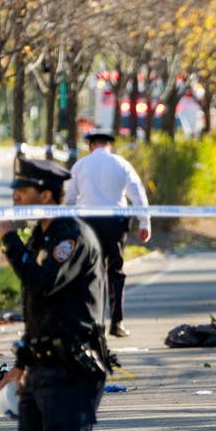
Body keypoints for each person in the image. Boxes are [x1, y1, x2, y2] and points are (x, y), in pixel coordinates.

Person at [0, 157, 109, 431]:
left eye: (23, 191)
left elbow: (44, 283)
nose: (16, 198)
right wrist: (21, 364)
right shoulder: (40, 235)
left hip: (71, 369)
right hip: (41, 369)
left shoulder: (70, 236)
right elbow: (39, 307)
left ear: (45, 196)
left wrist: (10, 240)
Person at [65, 129, 151, 338]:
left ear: (91, 145)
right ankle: (117, 322)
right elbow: (137, 192)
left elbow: (69, 198)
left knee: (89, 272)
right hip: (115, 223)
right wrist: (144, 222)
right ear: (109, 145)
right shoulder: (121, 164)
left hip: (88, 224)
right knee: (115, 271)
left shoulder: (81, 165)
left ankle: (92, 322)